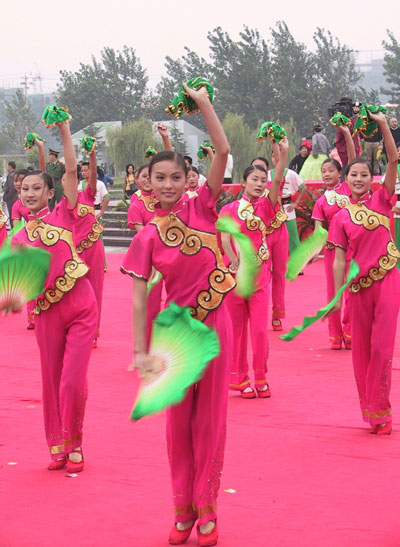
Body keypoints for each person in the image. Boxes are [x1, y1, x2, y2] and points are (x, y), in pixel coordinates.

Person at [121, 84, 234, 546]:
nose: (167, 184)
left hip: (215, 327)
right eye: (158, 178)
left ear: (188, 179)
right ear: (146, 183)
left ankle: (207, 510)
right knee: (177, 426)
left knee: (210, 420)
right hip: (175, 336)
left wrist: (203, 102)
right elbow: (135, 299)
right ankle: (181, 509)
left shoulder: (203, 207)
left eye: (175, 177)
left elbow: (223, 148)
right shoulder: (146, 235)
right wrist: (140, 351)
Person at [7, 117, 97, 471]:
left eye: (36, 188)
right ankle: (57, 443)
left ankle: (75, 442)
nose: (29, 193)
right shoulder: (18, 237)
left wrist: (63, 131)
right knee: (51, 380)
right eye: (24, 188)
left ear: (49, 192)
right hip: (46, 313)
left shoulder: (66, 216)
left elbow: (72, 171)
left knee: (72, 379)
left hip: (80, 307)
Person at [329, 112, 400, 435]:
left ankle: (382, 410)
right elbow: (339, 259)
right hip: (358, 288)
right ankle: (369, 408)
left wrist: (383, 124)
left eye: (364, 174)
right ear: (346, 179)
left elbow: (393, 157)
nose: (359, 179)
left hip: (387, 281)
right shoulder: (341, 217)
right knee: (361, 350)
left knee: (383, 348)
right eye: (353, 174)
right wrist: (337, 294)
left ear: (372, 179)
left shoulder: (383, 201)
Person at [220, 140, 288, 399]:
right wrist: (231, 260)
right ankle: (240, 378)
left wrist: (284, 153)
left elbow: (278, 180)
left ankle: (261, 376)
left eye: (263, 180)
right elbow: (224, 240)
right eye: (254, 179)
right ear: (244, 183)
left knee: (259, 331)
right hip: (234, 279)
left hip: (260, 278)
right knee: (236, 332)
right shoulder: (228, 210)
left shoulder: (266, 207)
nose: (259, 184)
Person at [312, 125, 357, 349]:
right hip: (332, 250)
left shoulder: (348, 189)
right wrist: (313, 251)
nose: (327, 174)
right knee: (333, 291)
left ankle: (350, 332)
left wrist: (347, 133)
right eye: (324, 171)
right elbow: (318, 229)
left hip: (353, 247)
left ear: (341, 173)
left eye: (331, 170)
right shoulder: (321, 201)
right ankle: (336, 337)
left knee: (351, 290)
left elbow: (353, 159)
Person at [251, 155, 288, 331]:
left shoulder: (273, 187)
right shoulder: (250, 196)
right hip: (262, 236)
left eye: (262, 171)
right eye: (254, 171)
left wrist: (281, 149)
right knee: (262, 275)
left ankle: (277, 314)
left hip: (279, 232)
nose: (258, 177)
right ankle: (258, 313)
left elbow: (279, 174)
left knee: (279, 274)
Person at [269, 153, 307, 255]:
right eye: (273, 156)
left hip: (288, 208)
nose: (276, 159)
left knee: (292, 237)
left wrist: (296, 203)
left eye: (279, 156)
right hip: (273, 209)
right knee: (274, 237)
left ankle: (297, 264)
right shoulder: (268, 174)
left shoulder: (291, 174)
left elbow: (303, 188)